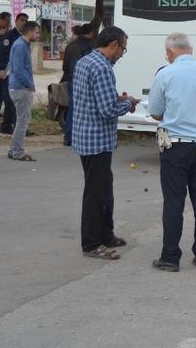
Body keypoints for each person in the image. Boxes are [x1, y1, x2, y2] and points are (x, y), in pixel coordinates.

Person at [149, 33, 196, 272]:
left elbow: (156, 113)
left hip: (176, 147)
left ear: (170, 52)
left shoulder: (165, 74)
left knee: (173, 203)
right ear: (190, 50)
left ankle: (170, 257)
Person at [72, 26, 139, 260]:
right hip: (96, 140)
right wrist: (128, 103)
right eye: (123, 48)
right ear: (113, 45)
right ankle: (91, 243)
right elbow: (107, 109)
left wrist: (116, 99)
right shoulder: (102, 68)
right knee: (96, 193)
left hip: (86, 135)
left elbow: (93, 99)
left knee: (104, 189)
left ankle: (106, 234)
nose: (122, 53)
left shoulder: (86, 61)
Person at [60, 23, 96, 146]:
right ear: (91, 33)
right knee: (79, 109)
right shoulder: (88, 46)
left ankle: (69, 136)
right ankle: (73, 136)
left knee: (73, 108)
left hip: (70, 80)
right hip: (81, 81)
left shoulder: (70, 45)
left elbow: (64, 66)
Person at [7, 21, 39, 162]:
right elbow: (18, 70)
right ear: (30, 32)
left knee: (21, 120)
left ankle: (13, 149)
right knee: (22, 122)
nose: (38, 35)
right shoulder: (20, 46)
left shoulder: (22, 44)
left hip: (18, 87)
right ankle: (18, 152)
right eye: (36, 32)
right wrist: (29, 84)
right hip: (21, 88)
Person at [0, 12, 28, 134]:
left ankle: (6, 125)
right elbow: (1, 54)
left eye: (25, 21)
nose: (23, 23)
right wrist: (1, 69)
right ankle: (17, 125)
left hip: (17, 71)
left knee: (10, 100)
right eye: (21, 20)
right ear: (17, 21)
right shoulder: (10, 36)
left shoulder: (23, 36)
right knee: (14, 99)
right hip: (9, 71)